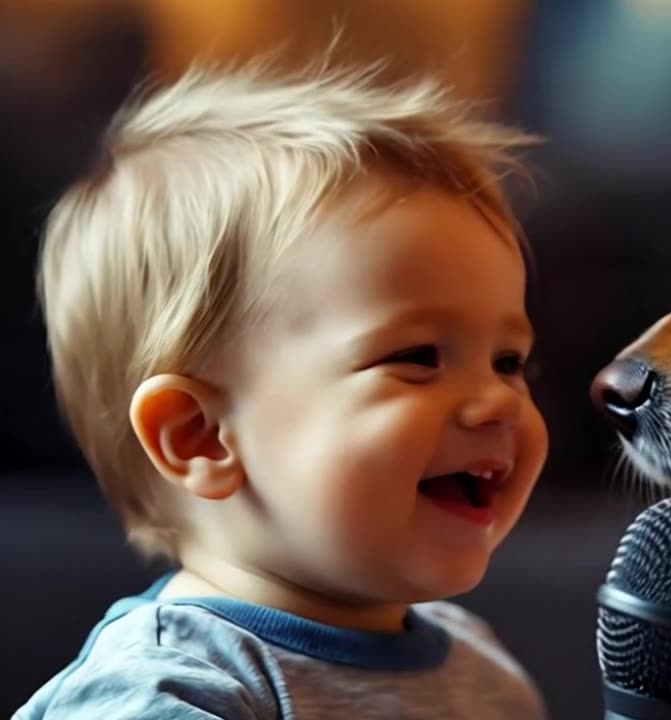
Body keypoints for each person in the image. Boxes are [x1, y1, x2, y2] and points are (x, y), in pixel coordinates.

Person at [14, 57, 549, 719]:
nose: (498, 400)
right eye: (417, 357)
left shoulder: (484, 675)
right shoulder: (168, 690)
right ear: (200, 436)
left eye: (509, 361)